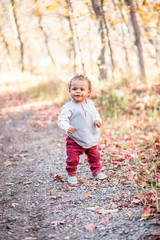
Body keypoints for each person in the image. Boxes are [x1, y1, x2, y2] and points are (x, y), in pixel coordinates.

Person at [58, 75, 107, 184]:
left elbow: (96, 115)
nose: (78, 92)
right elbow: (62, 120)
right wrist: (67, 127)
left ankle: (97, 171)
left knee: (95, 156)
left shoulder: (90, 104)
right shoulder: (68, 107)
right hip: (75, 139)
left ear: (88, 92)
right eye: (74, 89)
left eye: (82, 89)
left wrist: (98, 121)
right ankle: (71, 174)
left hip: (90, 136)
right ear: (70, 91)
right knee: (72, 159)